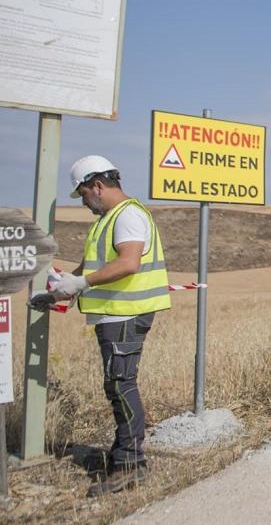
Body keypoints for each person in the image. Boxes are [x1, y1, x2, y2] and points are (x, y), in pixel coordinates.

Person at [38, 155, 171, 497]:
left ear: (98, 185)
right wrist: (65, 285)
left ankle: (130, 465)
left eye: (83, 194)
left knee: (122, 385)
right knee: (117, 386)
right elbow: (96, 265)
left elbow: (128, 263)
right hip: (114, 314)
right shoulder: (109, 219)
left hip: (125, 315)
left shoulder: (127, 216)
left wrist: (80, 284)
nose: (83, 202)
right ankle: (124, 454)